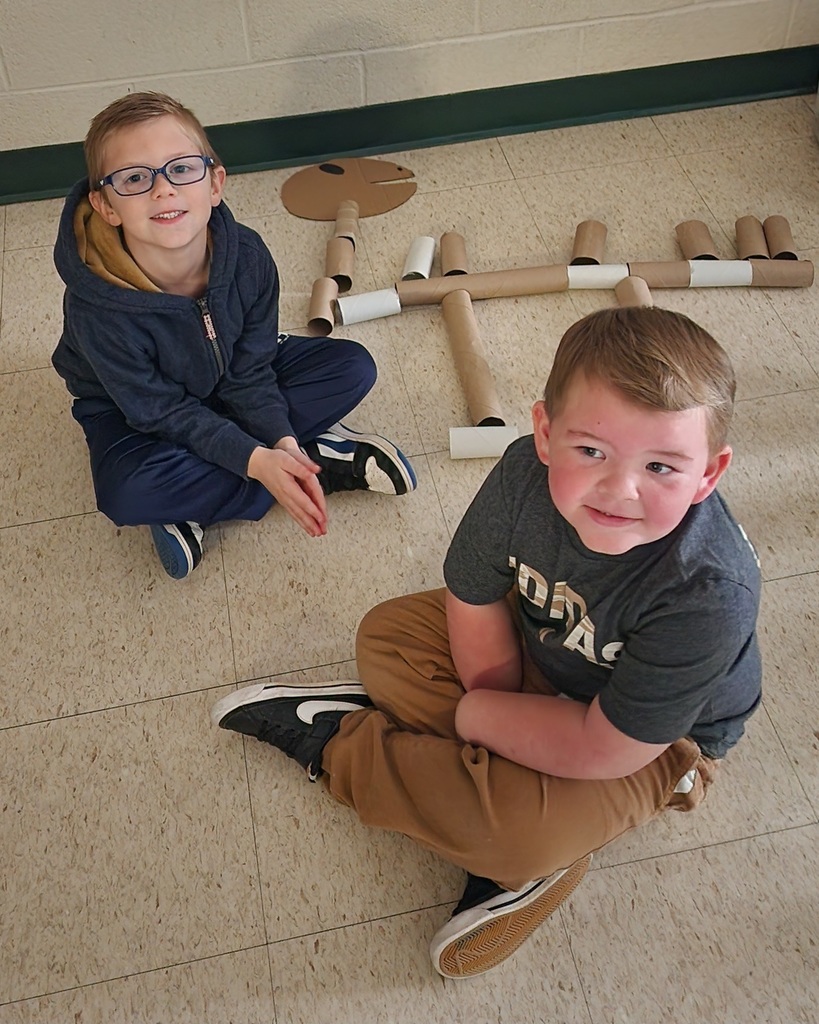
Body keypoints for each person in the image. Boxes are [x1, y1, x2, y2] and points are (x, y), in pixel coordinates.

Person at [211, 306, 762, 977]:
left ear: (708, 474)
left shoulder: (706, 592)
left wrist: (476, 716)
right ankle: (499, 798)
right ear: (544, 434)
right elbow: (472, 597)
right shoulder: (520, 475)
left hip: (649, 743)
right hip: (544, 642)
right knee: (386, 637)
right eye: (589, 450)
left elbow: (605, 746)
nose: (620, 490)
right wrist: (493, 697)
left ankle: (340, 745)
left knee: (515, 837)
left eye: (661, 467)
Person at [52, 92, 416, 579]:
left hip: (228, 375)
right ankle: (316, 462)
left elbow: (251, 371)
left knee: (351, 368)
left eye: (181, 169)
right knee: (125, 494)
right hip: (131, 410)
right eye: (135, 178)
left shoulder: (248, 256)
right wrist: (255, 460)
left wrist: (280, 443)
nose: (163, 190)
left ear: (215, 183)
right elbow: (159, 411)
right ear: (105, 205)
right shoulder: (96, 308)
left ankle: (219, 491)